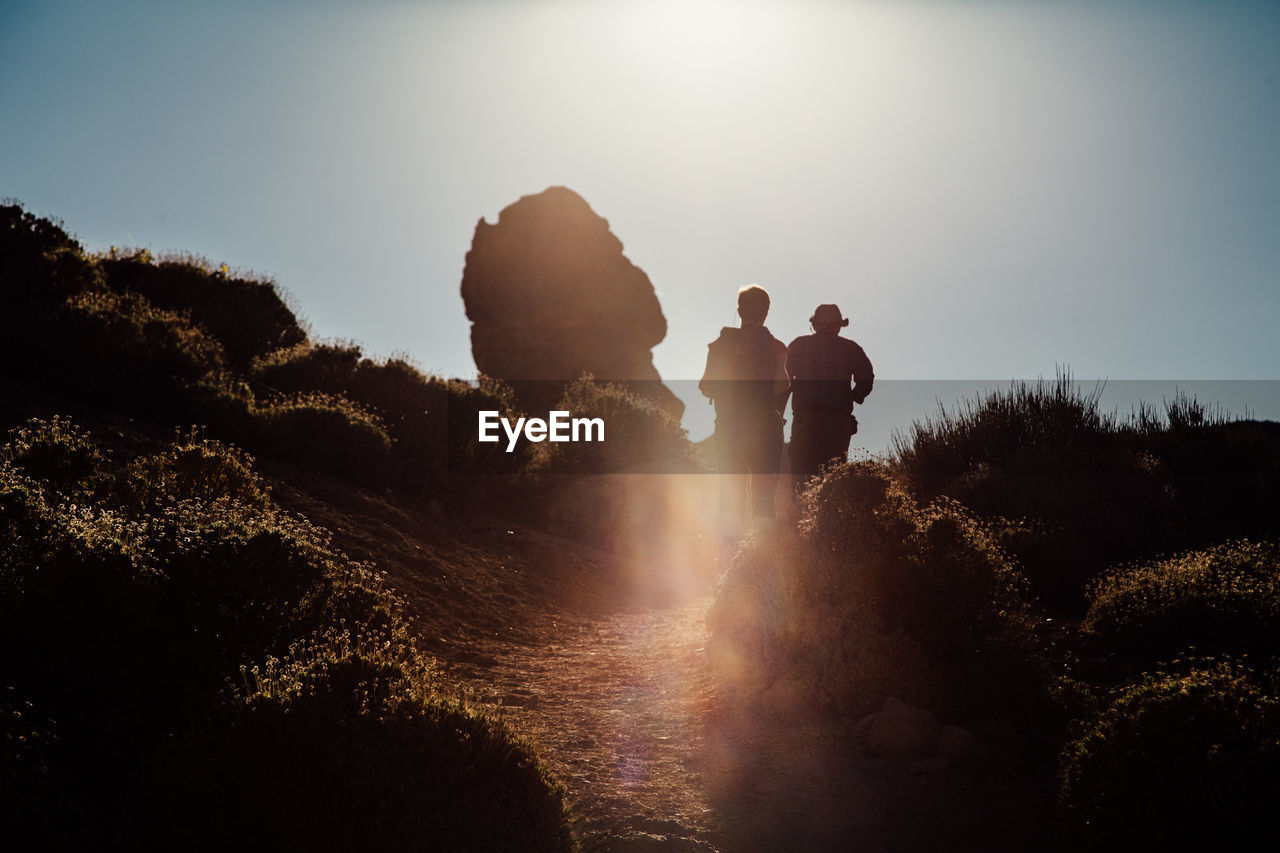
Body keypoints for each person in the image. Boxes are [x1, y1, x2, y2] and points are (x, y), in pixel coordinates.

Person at [699, 285, 789, 540]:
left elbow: (705, 385)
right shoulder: (777, 346)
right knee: (763, 491)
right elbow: (782, 384)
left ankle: (728, 554)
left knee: (729, 488)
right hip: (766, 426)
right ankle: (759, 554)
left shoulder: (719, 344)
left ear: (739, 311)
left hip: (729, 426)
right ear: (766, 312)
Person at [786, 303, 874, 484]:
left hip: (805, 422)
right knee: (832, 480)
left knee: (801, 478)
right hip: (838, 424)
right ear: (838, 326)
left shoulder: (799, 346)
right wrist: (854, 396)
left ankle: (802, 511)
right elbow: (866, 378)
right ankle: (828, 512)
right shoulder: (850, 349)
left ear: (815, 325)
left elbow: (783, 380)